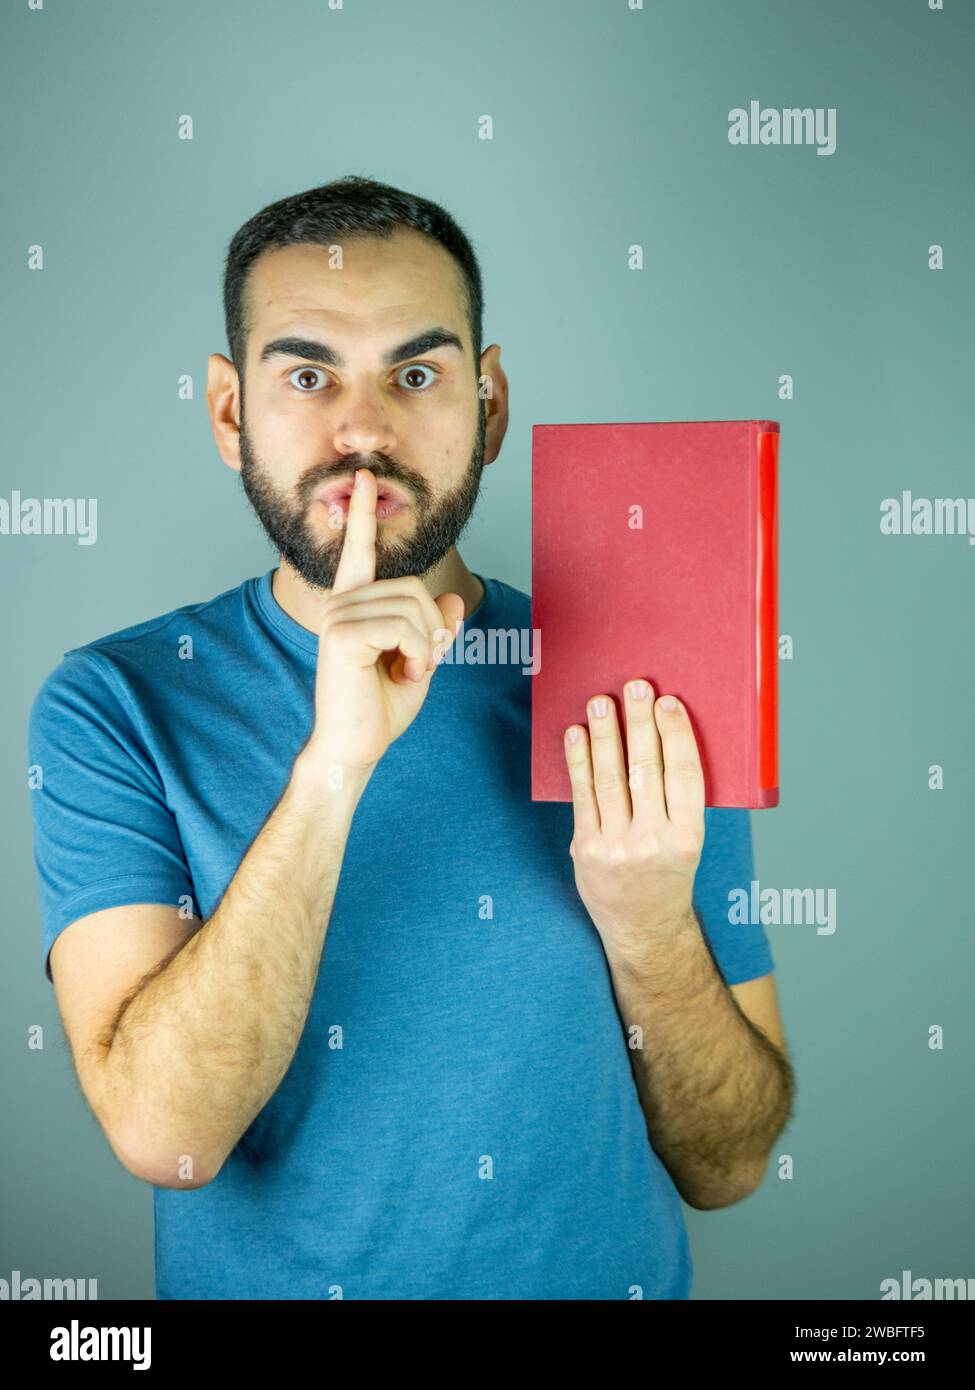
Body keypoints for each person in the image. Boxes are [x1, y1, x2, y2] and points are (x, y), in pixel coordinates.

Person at [28, 175, 793, 1300]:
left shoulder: (635, 688)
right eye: (306, 375)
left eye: (418, 374)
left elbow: (727, 1167)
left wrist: (649, 931)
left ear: (489, 406)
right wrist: (333, 770)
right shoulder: (115, 703)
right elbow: (164, 1135)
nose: (364, 431)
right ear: (230, 411)